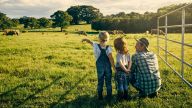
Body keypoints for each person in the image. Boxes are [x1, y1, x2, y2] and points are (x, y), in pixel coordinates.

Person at [82, 31, 116, 100]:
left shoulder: (96, 45)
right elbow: (111, 58)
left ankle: (100, 96)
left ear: (99, 39)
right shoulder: (108, 48)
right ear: (107, 39)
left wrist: (86, 40)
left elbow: (90, 42)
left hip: (99, 67)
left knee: (100, 81)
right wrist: (114, 68)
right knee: (108, 82)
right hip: (108, 68)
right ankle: (109, 96)